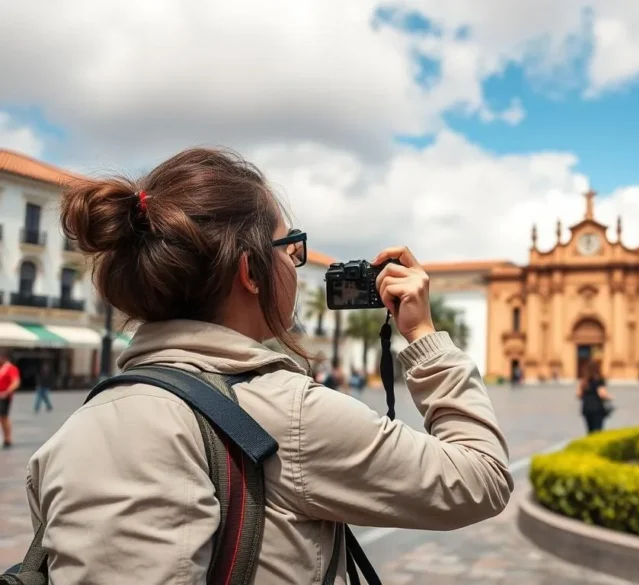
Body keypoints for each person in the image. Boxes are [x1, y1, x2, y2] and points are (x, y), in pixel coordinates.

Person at [27, 148, 513, 584]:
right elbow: (482, 479)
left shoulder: (76, 428)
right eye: (290, 248)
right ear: (250, 273)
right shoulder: (290, 412)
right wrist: (423, 338)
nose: (295, 267)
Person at [577, 361, 612, 433]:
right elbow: (602, 394)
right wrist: (610, 397)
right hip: (597, 408)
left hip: (586, 408)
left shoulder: (584, 381)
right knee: (597, 430)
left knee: (590, 430)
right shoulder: (599, 380)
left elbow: (578, 394)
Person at [0, 352, 21, 448]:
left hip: (4, 397)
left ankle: (7, 438)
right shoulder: (2, 368)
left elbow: (15, 382)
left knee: (4, 417)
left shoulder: (11, 368)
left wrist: (6, 392)